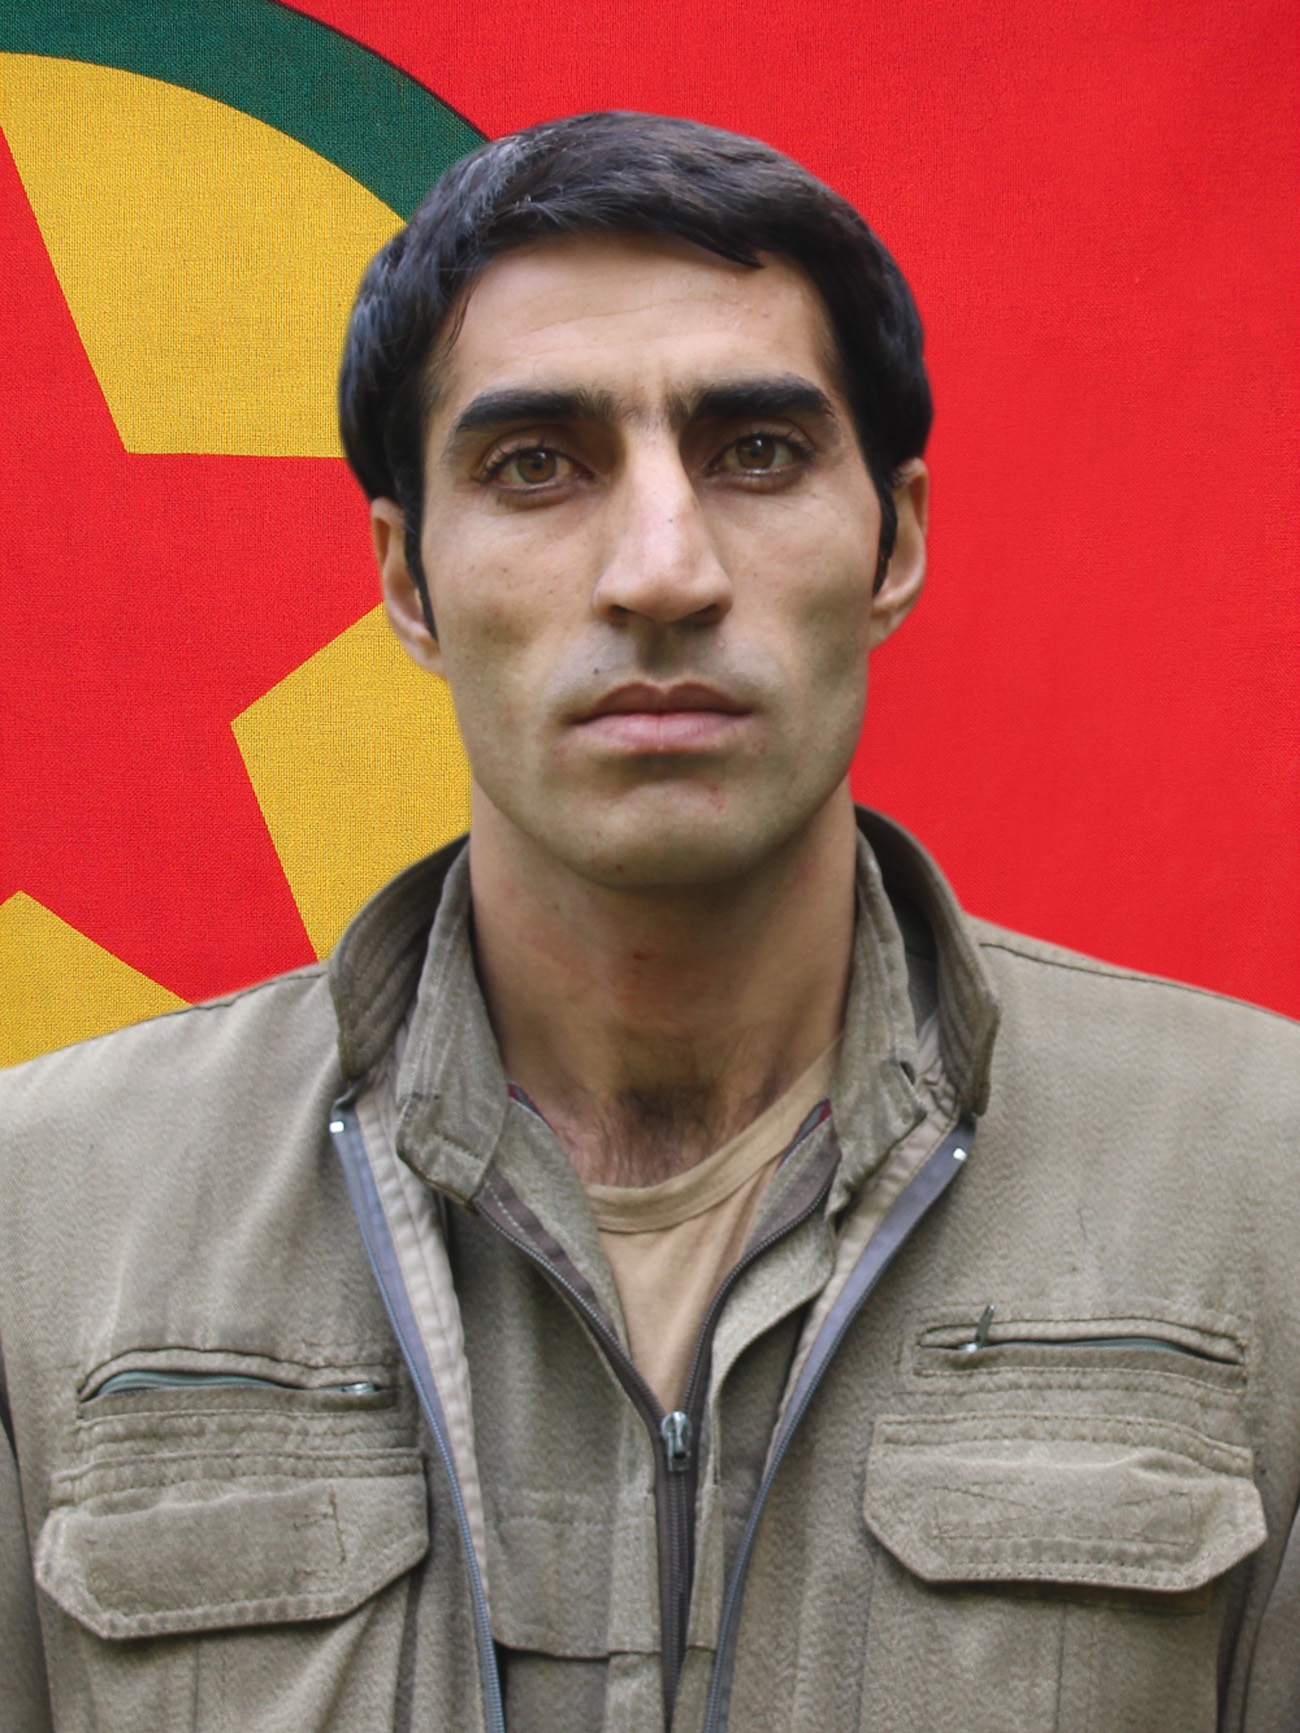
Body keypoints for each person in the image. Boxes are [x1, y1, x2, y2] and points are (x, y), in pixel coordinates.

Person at [1, 111, 1297, 1733]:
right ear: (407, 581)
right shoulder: (44, 1227)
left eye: (756, 452)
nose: (664, 571)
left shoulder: (1263, 1188)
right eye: (535, 464)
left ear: (894, 540)